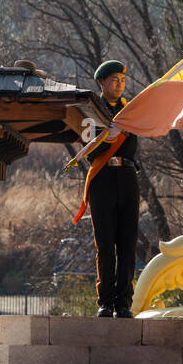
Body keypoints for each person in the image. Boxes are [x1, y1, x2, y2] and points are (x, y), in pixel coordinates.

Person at [72, 59, 140, 318]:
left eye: (122, 80)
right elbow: (89, 151)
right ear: (101, 82)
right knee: (105, 243)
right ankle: (105, 301)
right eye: (114, 80)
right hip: (103, 178)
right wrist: (109, 136)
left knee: (127, 243)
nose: (119, 84)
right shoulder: (92, 111)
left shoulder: (131, 109)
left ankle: (124, 301)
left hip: (127, 176)